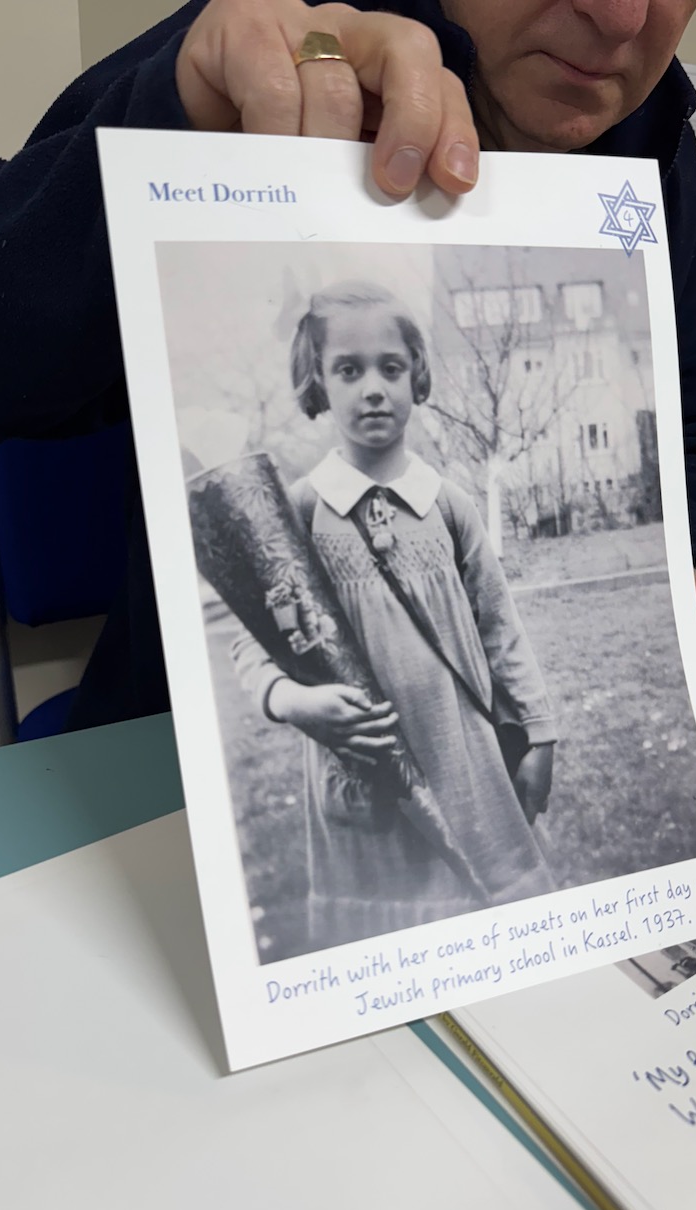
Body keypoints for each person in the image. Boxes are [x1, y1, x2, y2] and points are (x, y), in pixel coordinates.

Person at [0, 0, 696, 734]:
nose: (622, 16)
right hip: (177, 776)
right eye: (352, 371)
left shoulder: (652, 136)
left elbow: (694, 413)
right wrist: (170, 125)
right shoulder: (285, 47)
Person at [230, 281, 557, 948]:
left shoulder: (449, 505)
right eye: (348, 370)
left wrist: (540, 736)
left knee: (490, 931)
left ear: (417, 376)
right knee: (390, 949)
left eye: (391, 367)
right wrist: (293, 701)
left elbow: (501, 629)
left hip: (464, 762)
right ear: (318, 383)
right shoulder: (299, 512)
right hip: (363, 772)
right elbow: (250, 643)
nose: (373, 389)